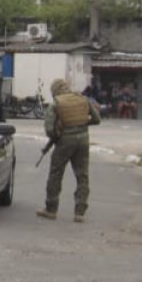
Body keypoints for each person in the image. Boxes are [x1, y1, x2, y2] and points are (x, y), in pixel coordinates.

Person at [38, 76, 101, 222]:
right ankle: (80, 212)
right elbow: (97, 119)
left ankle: (51, 209)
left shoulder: (57, 103)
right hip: (84, 140)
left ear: (54, 91)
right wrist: (82, 125)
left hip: (65, 141)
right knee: (82, 175)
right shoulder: (82, 99)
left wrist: (58, 134)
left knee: (56, 174)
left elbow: (49, 130)